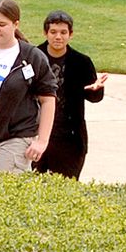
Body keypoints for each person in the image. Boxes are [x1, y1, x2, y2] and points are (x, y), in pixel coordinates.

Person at [0, 0, 57, 173]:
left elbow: (48, 99)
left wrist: (42, 141)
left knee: (4, 192)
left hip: (16, 135)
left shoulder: (31, 56)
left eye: (2, 24)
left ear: (15, 24)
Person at [35, 11, 107, 179]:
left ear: (71, 34)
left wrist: (96, 89)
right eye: (53, 32)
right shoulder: (34, 57)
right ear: (45, 33)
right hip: (37, 133)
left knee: (65, 189)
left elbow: (94, 98)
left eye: (63, 32)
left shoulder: (81, 62)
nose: (58, 37)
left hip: (70, 138)